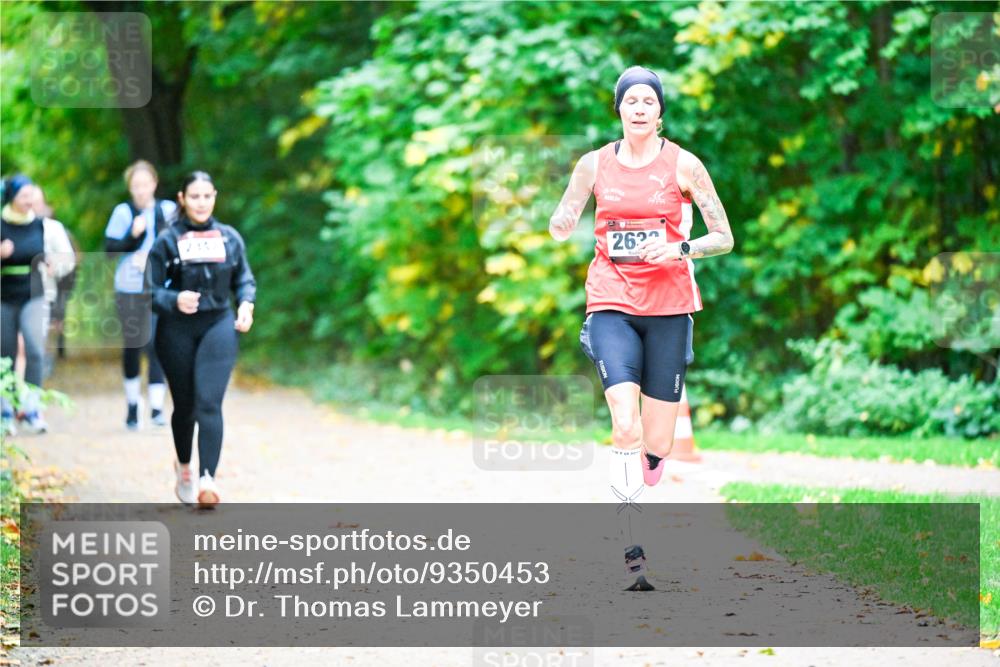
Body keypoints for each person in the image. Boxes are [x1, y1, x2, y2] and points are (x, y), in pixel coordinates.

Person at [549, 67, 734, 590]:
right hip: (610, 301)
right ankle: (633, 552)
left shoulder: (685, 165)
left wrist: (680, 247)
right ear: (619, 109)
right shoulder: (593, 165)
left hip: (670, 307)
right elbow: (565, 214)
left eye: (647, 100)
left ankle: (650, 460)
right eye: (629, 99)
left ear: (659, 112)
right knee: (623, 424)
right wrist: (560, 222)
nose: (638, 107)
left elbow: (723, 236)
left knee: (658, 444)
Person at [147, 171, 256, 508]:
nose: (202, 203)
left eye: (207, 196)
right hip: (176, 329)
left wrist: (246, 306)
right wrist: (174, 299)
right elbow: (148, 290)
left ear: (215, 197)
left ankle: (208, 479)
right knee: (186, 406)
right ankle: (184, 468)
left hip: (218, 323)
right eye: (195, 197)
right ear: (182, 198)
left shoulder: (229, 237)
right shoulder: (167, 240)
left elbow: (244, 279)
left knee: (209, 402)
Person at [1, 175, 76, 435]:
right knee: (5, 354)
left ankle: (31, 409)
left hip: (36, 294)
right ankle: (6, 410)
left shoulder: (47, 227)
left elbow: (69, 259)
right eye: (24, 196)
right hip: (4, 297)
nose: (30, 200)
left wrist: (56, 264)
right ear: (11, 197)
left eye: (32, 195)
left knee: (34, 349)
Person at [104, 160, 177, 429]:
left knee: (157, 343)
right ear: (130, 188)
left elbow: (178, 244)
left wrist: (151, 257)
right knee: (134, 344)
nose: (141, 190)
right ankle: (133, 406)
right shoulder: (123, 212)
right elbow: (110, 249)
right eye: (136, 186)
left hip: (160, 287)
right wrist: (131, 237)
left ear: (154, 184)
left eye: (145, 185)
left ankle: (157, 409)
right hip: (129, 287)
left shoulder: (167, 210)